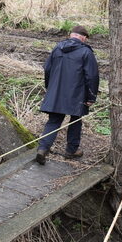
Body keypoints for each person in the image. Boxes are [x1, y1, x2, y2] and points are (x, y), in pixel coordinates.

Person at [36, 26, 99, 165]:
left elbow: (47, 69)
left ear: (71, 35)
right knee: (76, 120)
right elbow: (92, 76)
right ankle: (71, 150)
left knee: (53, 121)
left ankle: (43, 148)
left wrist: (50, 88)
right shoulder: (86, 52)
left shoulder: (57, 48)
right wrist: (91, 97)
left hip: (56, 92)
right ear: (84, 37)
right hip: (77, 94)